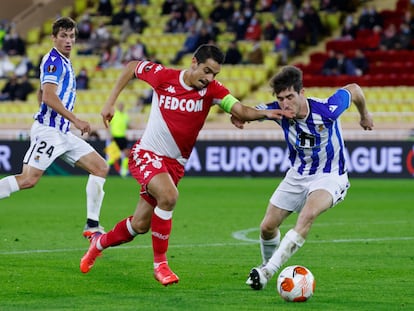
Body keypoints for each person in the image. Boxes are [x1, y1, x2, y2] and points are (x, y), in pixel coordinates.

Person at [79, 44, 292, 286]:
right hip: (147, 153)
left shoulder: (213, 91)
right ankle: (160, 264)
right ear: (193, 62)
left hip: (175, 165)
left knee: (139, 225)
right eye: (206, 70)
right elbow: (131, 67)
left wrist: (266, 114)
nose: (209, 78)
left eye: (215, 74)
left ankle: (99, 243)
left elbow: (240, 109)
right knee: (169, 196)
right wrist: (109, 103)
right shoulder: (164, 76)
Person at [237, 65, 373, 290]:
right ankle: (267, 264)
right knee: (267, 227)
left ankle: (267, 272)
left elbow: (355, 89)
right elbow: (248, 110)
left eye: (290, 96)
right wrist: (239, 117)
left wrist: (364, 115)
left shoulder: (328, 109)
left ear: (302, 93)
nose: (285, 103)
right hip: (298, 175)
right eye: (280, 99)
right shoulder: (278, 112)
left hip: (330, 175)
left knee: (307, 215)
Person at [0, 17, 109, 239]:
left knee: (100, 168)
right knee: (28, 179)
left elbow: (44, 94)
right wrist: (76, 120)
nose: (69, 40)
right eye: (63, 36)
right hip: (49, 131)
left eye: (72, 36)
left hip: (62, 133)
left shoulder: (65, 62)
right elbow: (49, 96)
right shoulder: (54, 61)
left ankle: (92, 225)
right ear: (54, 38)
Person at [107, 102, 131, 177]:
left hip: (122, 137)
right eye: (120, 105)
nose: (121, 107)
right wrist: (110, 135)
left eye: (122, 106)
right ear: (117, 106)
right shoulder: (114, 114)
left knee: (126, 154)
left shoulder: (125, 116)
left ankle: (124, 171)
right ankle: (106, 170)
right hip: (114, 137)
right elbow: (109, 125)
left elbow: (127, 126)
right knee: (111, 156)